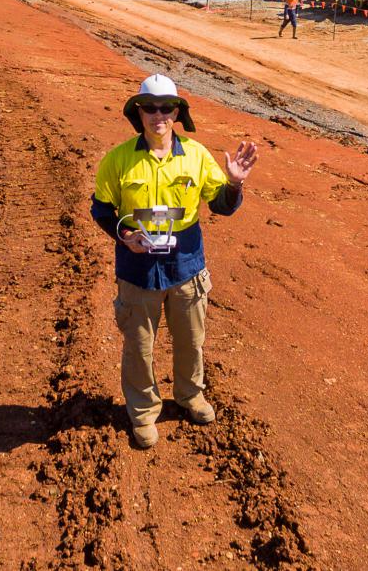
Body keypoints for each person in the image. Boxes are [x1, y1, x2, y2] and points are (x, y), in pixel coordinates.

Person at [91, 73, 258, 449]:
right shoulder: (117, 160)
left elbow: (222, 207)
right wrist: (124, 235)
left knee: (191, 340)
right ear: (138, 113)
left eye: (166, 107)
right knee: (139, 346)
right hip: (136, 267)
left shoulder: (197, 156)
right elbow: (101, 209)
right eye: (149, 107)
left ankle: (190, 396)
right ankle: (144, 412)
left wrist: (234, 184)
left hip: (185, 265)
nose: (158, 114)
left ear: (178, 112)